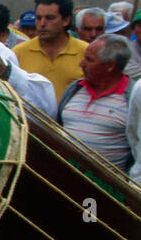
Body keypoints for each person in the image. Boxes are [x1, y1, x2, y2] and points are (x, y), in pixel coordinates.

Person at [55, 34, 140, 178]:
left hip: (106, 190)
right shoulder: (74, 89)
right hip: (63, 179)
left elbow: (136, 144)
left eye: (89, 60)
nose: (81, 64)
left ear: (110, 66)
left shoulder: (132, 96)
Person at [14, 0, 88, 98]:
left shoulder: (85, 52)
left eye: (50, 18)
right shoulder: (19, 52)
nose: (42, 24)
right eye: (39, 18)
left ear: (66, 20)